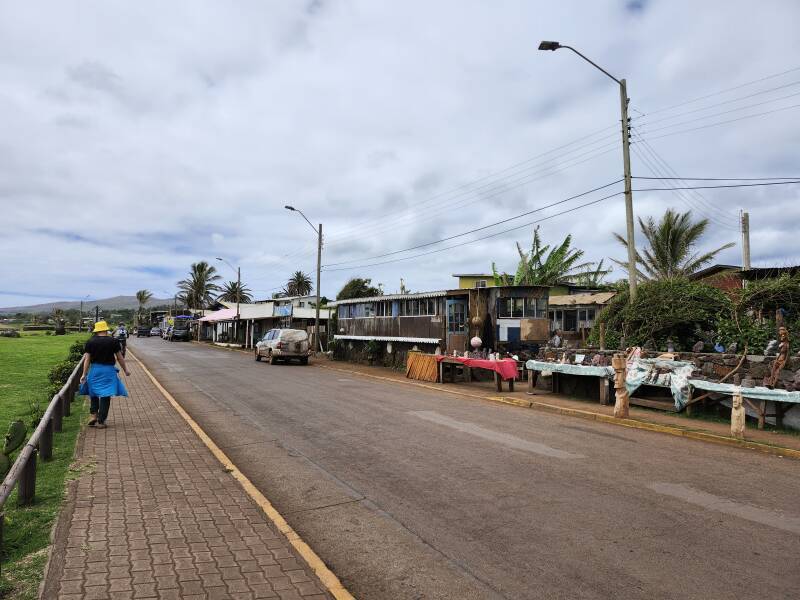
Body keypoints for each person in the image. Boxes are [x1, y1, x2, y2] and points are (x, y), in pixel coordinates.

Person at [80, 321, 130, 429]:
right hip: (108, 371)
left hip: (95, 370)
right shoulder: (113, 341)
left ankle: (93, 415)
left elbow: (87, 359)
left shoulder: (90, 342)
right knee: (106, 395)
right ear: (106, 330)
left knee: (93, 392)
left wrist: (84, 374)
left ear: (96, 330)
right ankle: (101, 421)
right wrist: (125, 370)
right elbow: (119, 357)